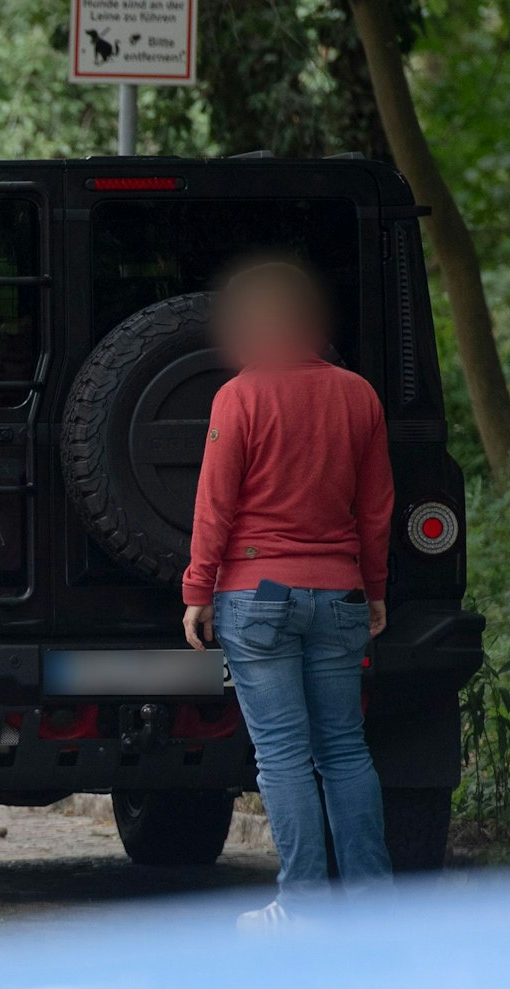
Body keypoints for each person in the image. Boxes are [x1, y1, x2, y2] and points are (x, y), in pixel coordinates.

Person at [181, 260, 394, 927]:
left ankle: (300, 904)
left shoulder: (240, 397)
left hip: (257, 593)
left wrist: (198, 589)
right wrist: (377, 589)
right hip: (341, 595)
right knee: (345, 748)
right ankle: (372, 902)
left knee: (282, 755)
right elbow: (376, 506)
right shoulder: (359, 395)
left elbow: (215, 502)